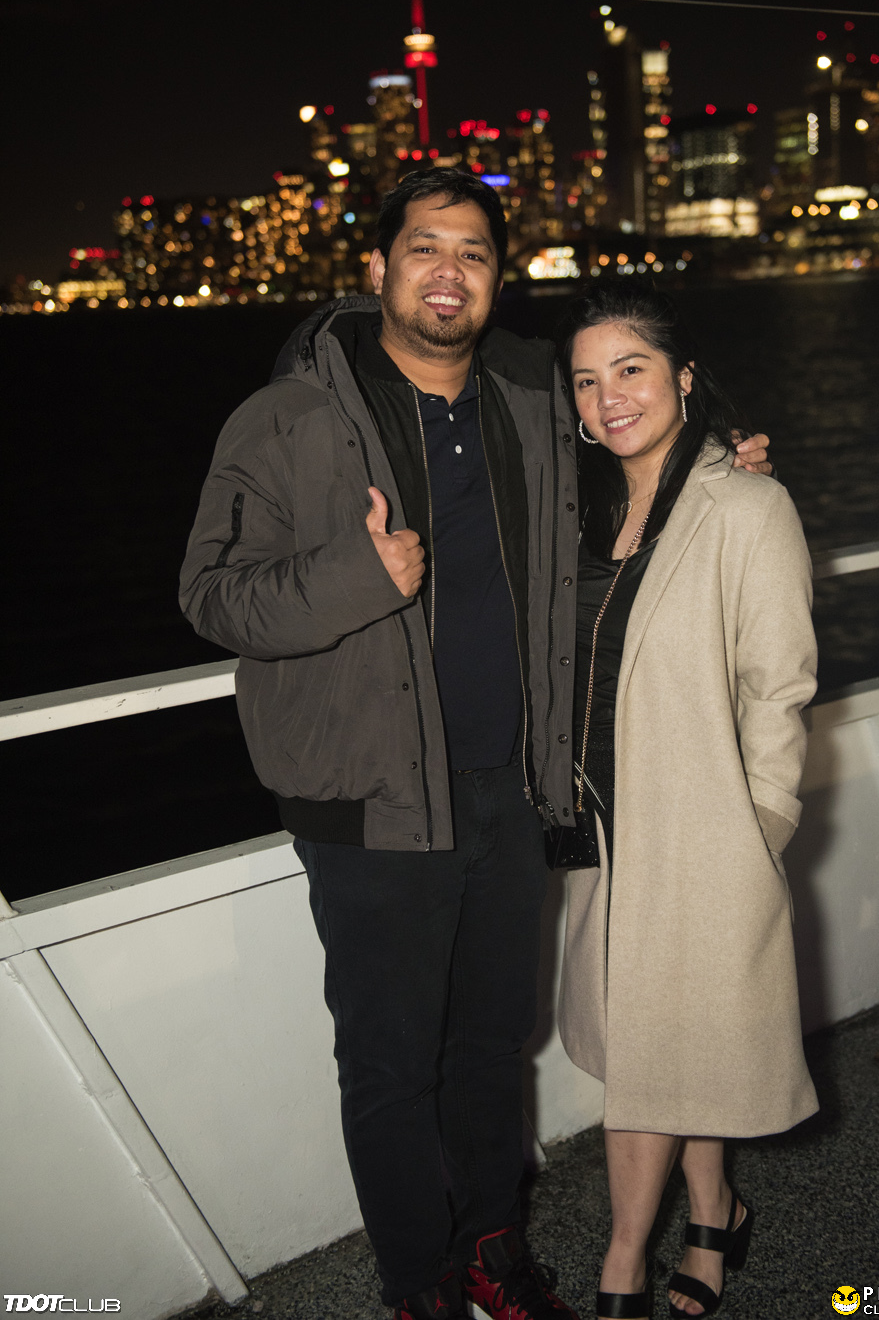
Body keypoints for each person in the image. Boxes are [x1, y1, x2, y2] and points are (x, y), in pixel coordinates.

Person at [179, 169, 773, 1320]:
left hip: (508, 789)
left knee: (493, 1045)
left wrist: (719, 456)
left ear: (498, 280)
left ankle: (495, 1255)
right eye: (423, 249)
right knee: (391, 1065)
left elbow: (637, 413)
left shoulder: (527, 394)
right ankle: (419, 1287)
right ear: (376, 270)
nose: (447, 272)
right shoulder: (288, 417)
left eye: (473, 254)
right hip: (368, 798)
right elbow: (210, 594)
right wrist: (353, 576)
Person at [555, 277, 817, 1320]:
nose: (607, 396)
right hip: (602, 829)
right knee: (673, 1039)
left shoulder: (747, 505)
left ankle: (622, 1262)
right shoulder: (583, 512)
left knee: (650, 1051)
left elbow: (779, 685)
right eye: (585, 380)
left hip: (699, 832)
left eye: (630, 369)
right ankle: (715, 1215)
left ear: (683, 378)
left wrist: (759, 830)